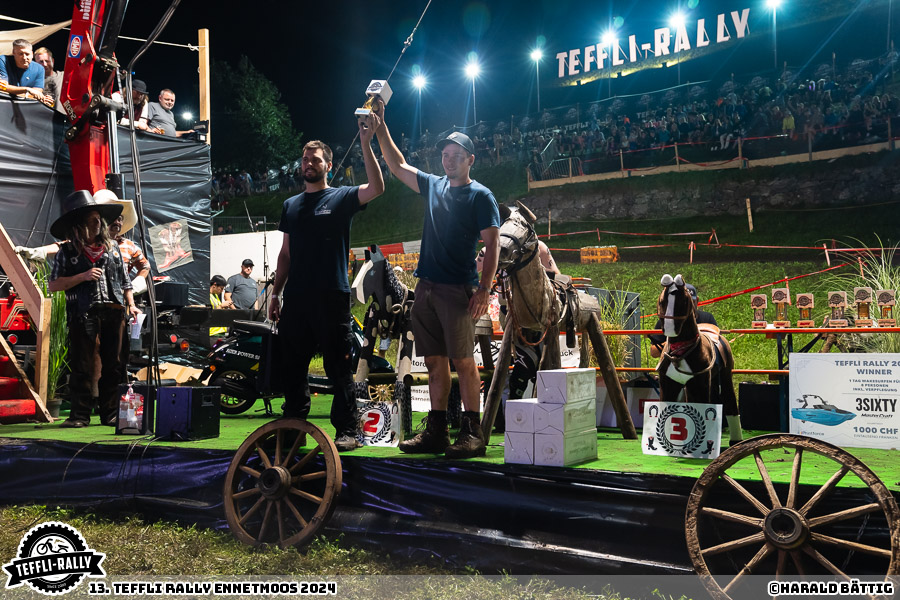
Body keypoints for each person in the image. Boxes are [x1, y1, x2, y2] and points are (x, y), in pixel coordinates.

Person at [372, 100, 501, 459]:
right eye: (445, 154)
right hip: (425, 288)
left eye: (456, 155)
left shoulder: (481, 196)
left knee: (464, 361)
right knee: (433, 361)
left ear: (470, 159)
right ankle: (437, 431)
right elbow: (396, 165)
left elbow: (492, 247)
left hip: (457, 290)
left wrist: (483, 289)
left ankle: (473, 432)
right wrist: (381, 127)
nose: (448, 160)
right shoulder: (433, 185)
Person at [268, 114, 384, 452]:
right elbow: (285, 254)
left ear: (328, 166)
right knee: (293, 368)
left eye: (315, 159)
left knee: (337, 367)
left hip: (332, 296)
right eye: (304, 159)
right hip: (296, 298)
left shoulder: (342, 198)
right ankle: (293, 429)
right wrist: (275, 293)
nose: (308, 163)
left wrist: (365, 143)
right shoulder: (290, 206)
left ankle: (348, 430)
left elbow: (377, 188)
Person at [48, 191, 141, 427]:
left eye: (99, 218)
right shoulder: (67, 253)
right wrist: (83, 276)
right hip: (82, 313)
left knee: (115, 364)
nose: (98, 222)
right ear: (79, 224)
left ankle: (110, 413)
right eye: (92, 218)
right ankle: (79, 415)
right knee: (82, 365)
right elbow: (54, 284)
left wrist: (131, 304)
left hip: (114, 311)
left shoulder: (113, 250)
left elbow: (125, 282)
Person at [93, 190, 150, 296]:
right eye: (113, 218)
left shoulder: (128, 245)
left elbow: (145, 266)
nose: (117, 222)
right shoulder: (89, 242)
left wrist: (134, 287)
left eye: (120, 218)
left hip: (118, 300)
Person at [648, 282, 718, 359]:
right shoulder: (667, 321)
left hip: (702, 362)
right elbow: (653, 352)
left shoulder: (707, 318)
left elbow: (717, 344)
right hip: (675, 364)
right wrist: (672, 344)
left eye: (691, 302)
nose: (688, 307)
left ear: (697, 301)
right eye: (684, 303)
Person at [0, 39, 48, 104]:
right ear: (13, 53)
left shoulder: (39, 69)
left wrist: (41, 97)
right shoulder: (3, 61)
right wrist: (28, 90)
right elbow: (3, 89)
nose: (24, 57)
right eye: (20, 54)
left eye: (27, 54)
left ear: (32, 54)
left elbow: (37, 93)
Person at [33, 47, 65, 115]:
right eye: (41, 62)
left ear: (52, 61)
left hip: (64, 120)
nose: (45, 64)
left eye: (47, 61)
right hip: (43, 119)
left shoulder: (63, 76)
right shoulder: (32, 82)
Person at [209, 275, 232, 343]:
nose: (222, 291)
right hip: (213, 333)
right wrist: (221, 306)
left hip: (221, 333)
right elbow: (210, 314)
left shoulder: (215, 296)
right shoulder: (207, 296)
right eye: (221, 288)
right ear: (214, 285)